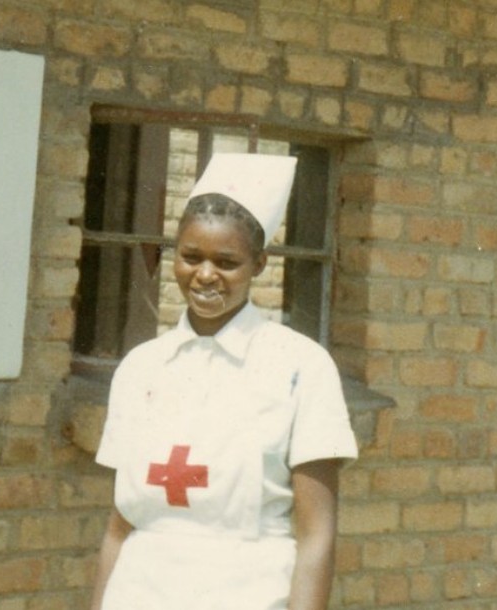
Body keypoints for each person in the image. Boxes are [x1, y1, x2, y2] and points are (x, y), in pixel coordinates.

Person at [89, 153, 358, 610]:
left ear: (259, 264)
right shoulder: (141, 367)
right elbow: (120, 525)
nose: (206, 275)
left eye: (227, 261)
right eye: (191, 257)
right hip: (138, 594)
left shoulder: (300, 367)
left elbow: (316, 537)